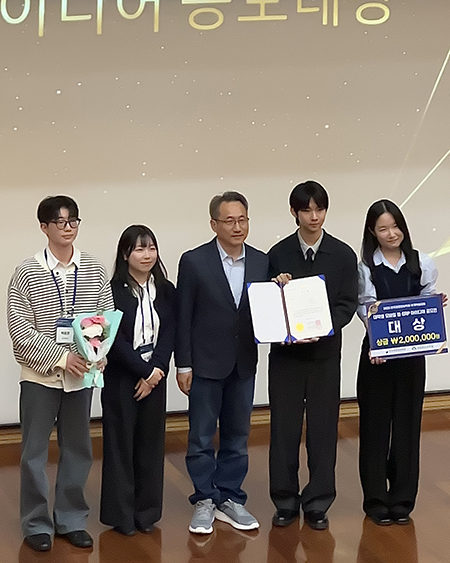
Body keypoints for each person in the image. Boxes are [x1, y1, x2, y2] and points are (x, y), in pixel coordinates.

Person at [7, 195, 114, 552]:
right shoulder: (27, 271)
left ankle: (71, 519)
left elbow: (106, 317)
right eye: (60, 222)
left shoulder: (94, 268)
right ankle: (36, 523)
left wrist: (98, 354)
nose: (68, 228)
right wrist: (61, 357)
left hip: (81, 376)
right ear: (44, 227)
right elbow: (20, 329)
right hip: (40, 376)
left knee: (78, 449)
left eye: (73, 221)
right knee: (34, 453)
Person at [175, 191, 269, 534]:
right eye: (229, 221)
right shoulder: (194, 261)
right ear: (214, 224)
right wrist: (183, 364)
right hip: (205, 363)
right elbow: (183, 315)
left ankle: (230, 498)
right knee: (201, 436)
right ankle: (204, 499)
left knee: (238, 436)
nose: (237, 227)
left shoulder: (261, 261)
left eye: (242, 219)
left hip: (243, 363)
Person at [268, 180, 358, 530]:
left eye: (319, 209)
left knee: (323, 429)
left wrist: (322, 327)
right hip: (286, 358)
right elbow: (266, 304)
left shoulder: (343, 254)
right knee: (284, 430)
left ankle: (318, 502)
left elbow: (347, 304)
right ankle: (285, 501)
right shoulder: (278, 254)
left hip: (324, 356)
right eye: (306, 210)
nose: (314, 216)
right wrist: (276, 290)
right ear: (294, 212)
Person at [357, 199, 442, 526]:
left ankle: (403, 500)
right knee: (375, 427)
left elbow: (425, 302)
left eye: (395, 227)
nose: (391, 234)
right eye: (383, 229)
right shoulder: (366, 267)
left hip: (411, 358)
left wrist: (434, 305)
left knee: (408, 425)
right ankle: (376, 500)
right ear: (372, 232)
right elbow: (366, 308)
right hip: (377, 357)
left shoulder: (422, 262)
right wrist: (378, 343)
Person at [100, 225, 175, 536]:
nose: (147, 255)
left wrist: (156, 371)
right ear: (125, 254)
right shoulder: (111, 291)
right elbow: (112, 340)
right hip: (122, 377)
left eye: (151, 248)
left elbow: (170, 332)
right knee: (120, 446)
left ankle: (147, 513)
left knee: (150, 445)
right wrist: (143, 371)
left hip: (155, 377)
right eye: (140, 249)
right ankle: (122, 516)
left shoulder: (166, 290)